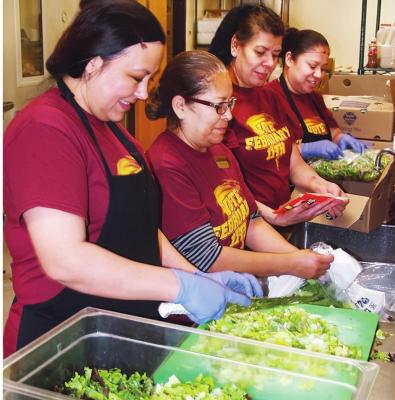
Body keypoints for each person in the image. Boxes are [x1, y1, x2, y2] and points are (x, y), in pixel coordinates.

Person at [3, 0, 262, 358]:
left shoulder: (113, 131)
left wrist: (197, 276)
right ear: (94, 64)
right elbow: (65, 260)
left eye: (149, 80)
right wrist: (180, 286)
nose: (143, 94)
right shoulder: (45, 129)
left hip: (114, 328)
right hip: (60, 339)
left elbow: (139, 227)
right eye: (136, 77)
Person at [146, 50, 333, 278]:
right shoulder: (167, 164)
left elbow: (251, 223)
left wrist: (301, 259)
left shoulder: (219, 150)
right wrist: (289, 264)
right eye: (218, 106)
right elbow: (206, 256)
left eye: (230, 103)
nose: (228, 116)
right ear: (181, 106)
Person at [208, 4, 348, 227]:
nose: (269, 64)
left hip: (281, 218)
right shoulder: (219, 104)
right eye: (260, 52)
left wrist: (322, 186)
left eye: (275, 55)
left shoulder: (271, 97)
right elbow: (221, 182)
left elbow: (293, 163)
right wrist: (273, 217)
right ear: (236, 45)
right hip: (246, 226)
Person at [267, 28, 366, 161]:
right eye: (312, 66)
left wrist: (340, 138)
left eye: (323, 68)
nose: (319, 75)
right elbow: (269, 151)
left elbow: (332, 132)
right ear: (290, 59)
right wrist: (306, 149)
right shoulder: (269, 98)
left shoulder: (315, 97)